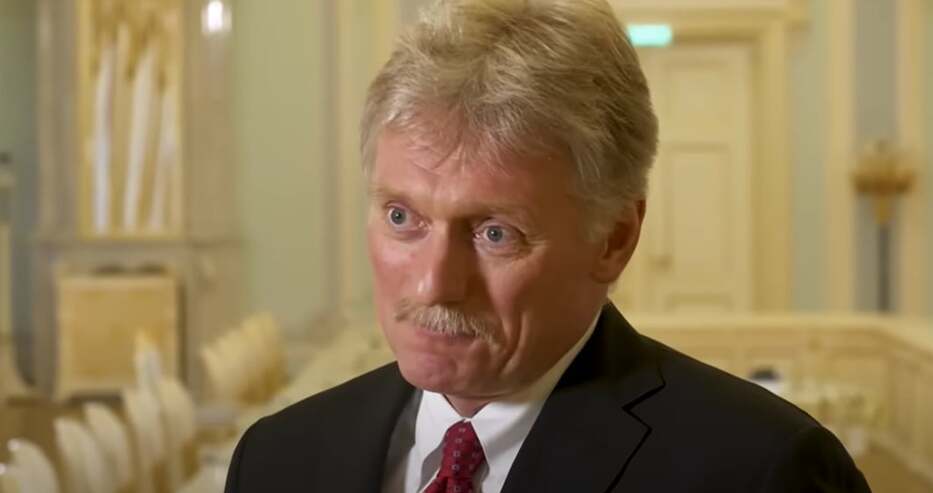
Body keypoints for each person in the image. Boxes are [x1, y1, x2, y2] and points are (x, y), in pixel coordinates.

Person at [224, 0, 871, 491]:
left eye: (494, 233)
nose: (432, 284)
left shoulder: (762, 472)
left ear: (614, 239)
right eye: (402, 218)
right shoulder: (276, 460)